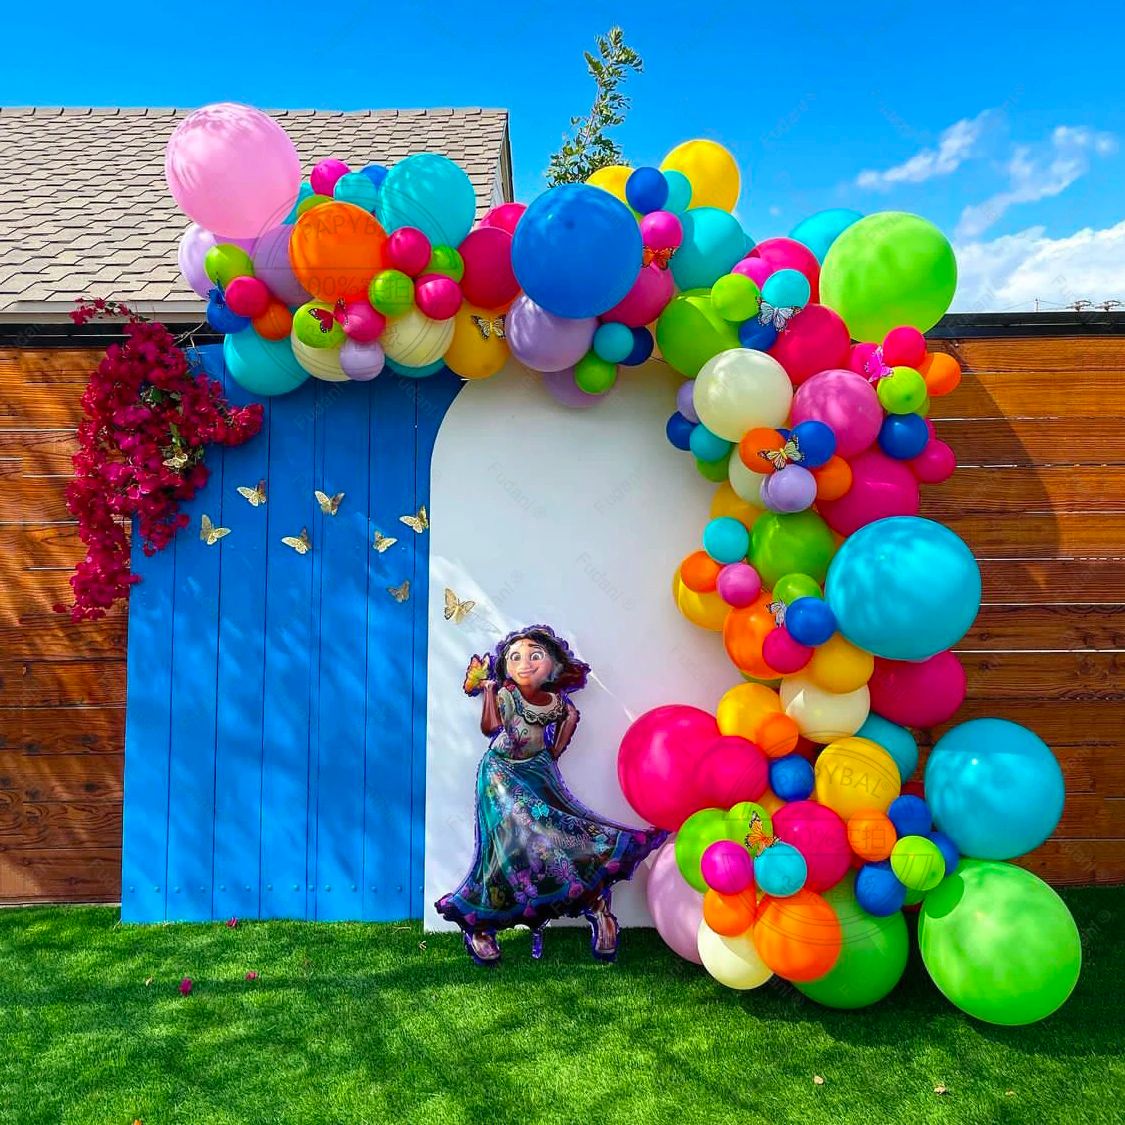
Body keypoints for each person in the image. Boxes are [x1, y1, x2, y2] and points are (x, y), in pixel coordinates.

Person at [436, 625, 667, 966]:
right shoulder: (507, 694)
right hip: (500, 773)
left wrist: (553, 753)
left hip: (538, 771)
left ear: (553, 665)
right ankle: (480, 923)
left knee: (566, 831)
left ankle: (596, 905)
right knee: (506, 846)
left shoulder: (556, 702)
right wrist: (488, 690)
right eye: (515, 657)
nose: (525, 663)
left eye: (535, 656)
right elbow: (490, 727)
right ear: (505, 667)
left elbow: (571, 716)